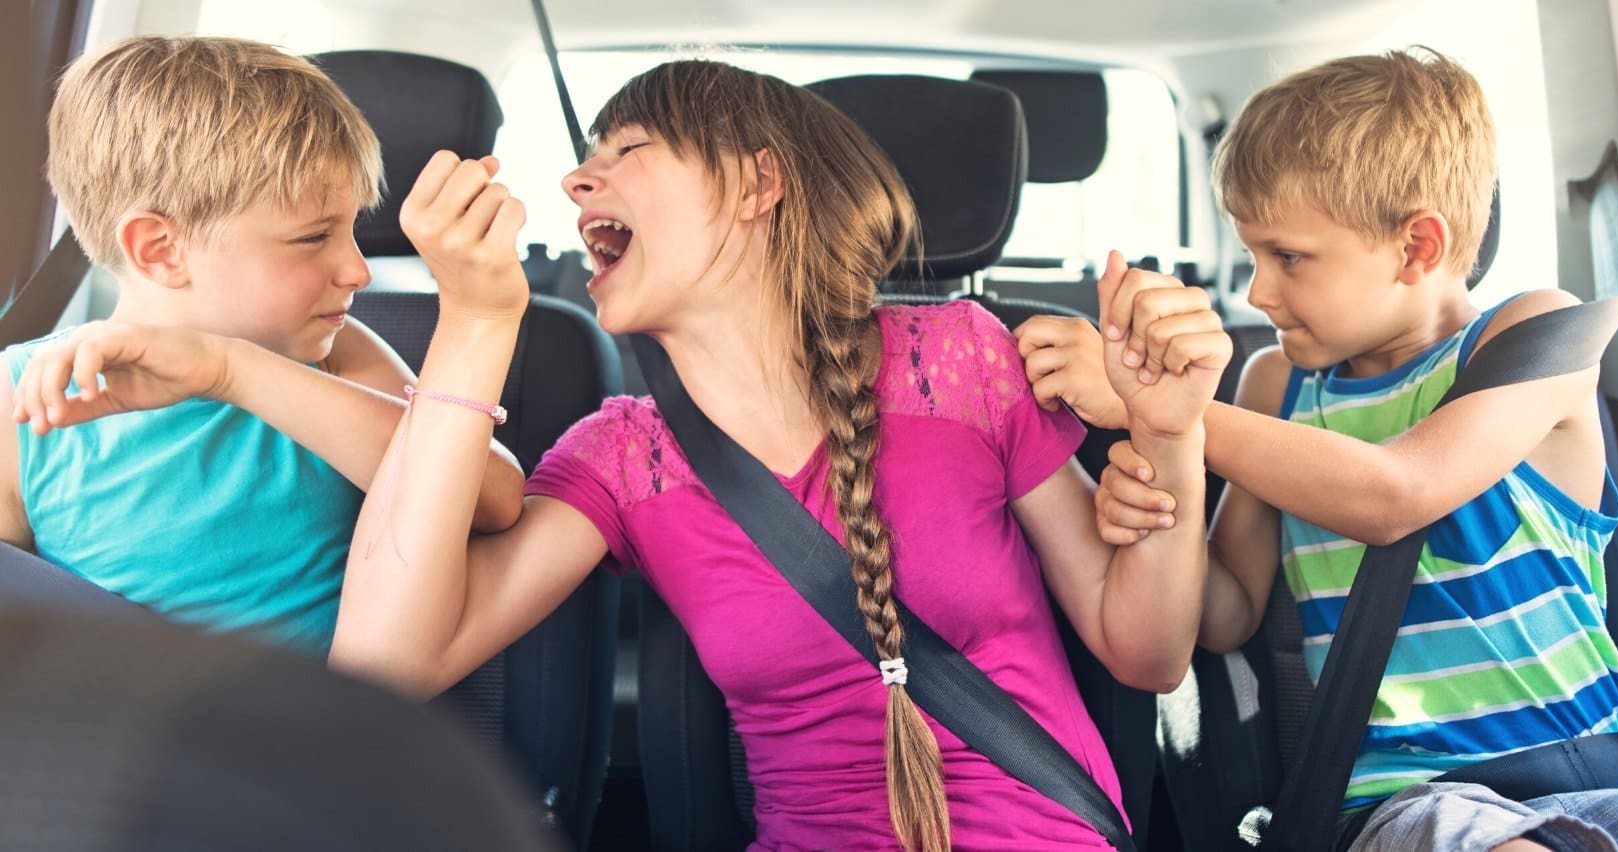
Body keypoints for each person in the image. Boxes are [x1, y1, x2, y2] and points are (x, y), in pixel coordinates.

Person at [327, 59, 1230, 851]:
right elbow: (385, 668)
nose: (575, 179)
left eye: (627, 148)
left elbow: (1143, 653)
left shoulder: (960, 361)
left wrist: (1169, 432)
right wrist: (480, 323)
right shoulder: (623, 457)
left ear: (759, 183)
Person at [1019, 47, 1618, 852]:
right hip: (1414, 799)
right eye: (1251, 253)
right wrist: (1165, 491)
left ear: (1417, 246)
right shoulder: (1274, 385)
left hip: (1611, 776)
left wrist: (1183, 418)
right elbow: (1229, 614)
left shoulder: (1529, 336)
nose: (1256, 291)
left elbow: (1398, 493)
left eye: (1287, 256)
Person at [3, 35, 525, 657]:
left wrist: (238, 373)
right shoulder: (21, 401)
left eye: (351, 229)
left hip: (320, 732)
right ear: (161, 251)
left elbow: (492, 499)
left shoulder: (335, 354)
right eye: (312, 238)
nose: (358, 270)